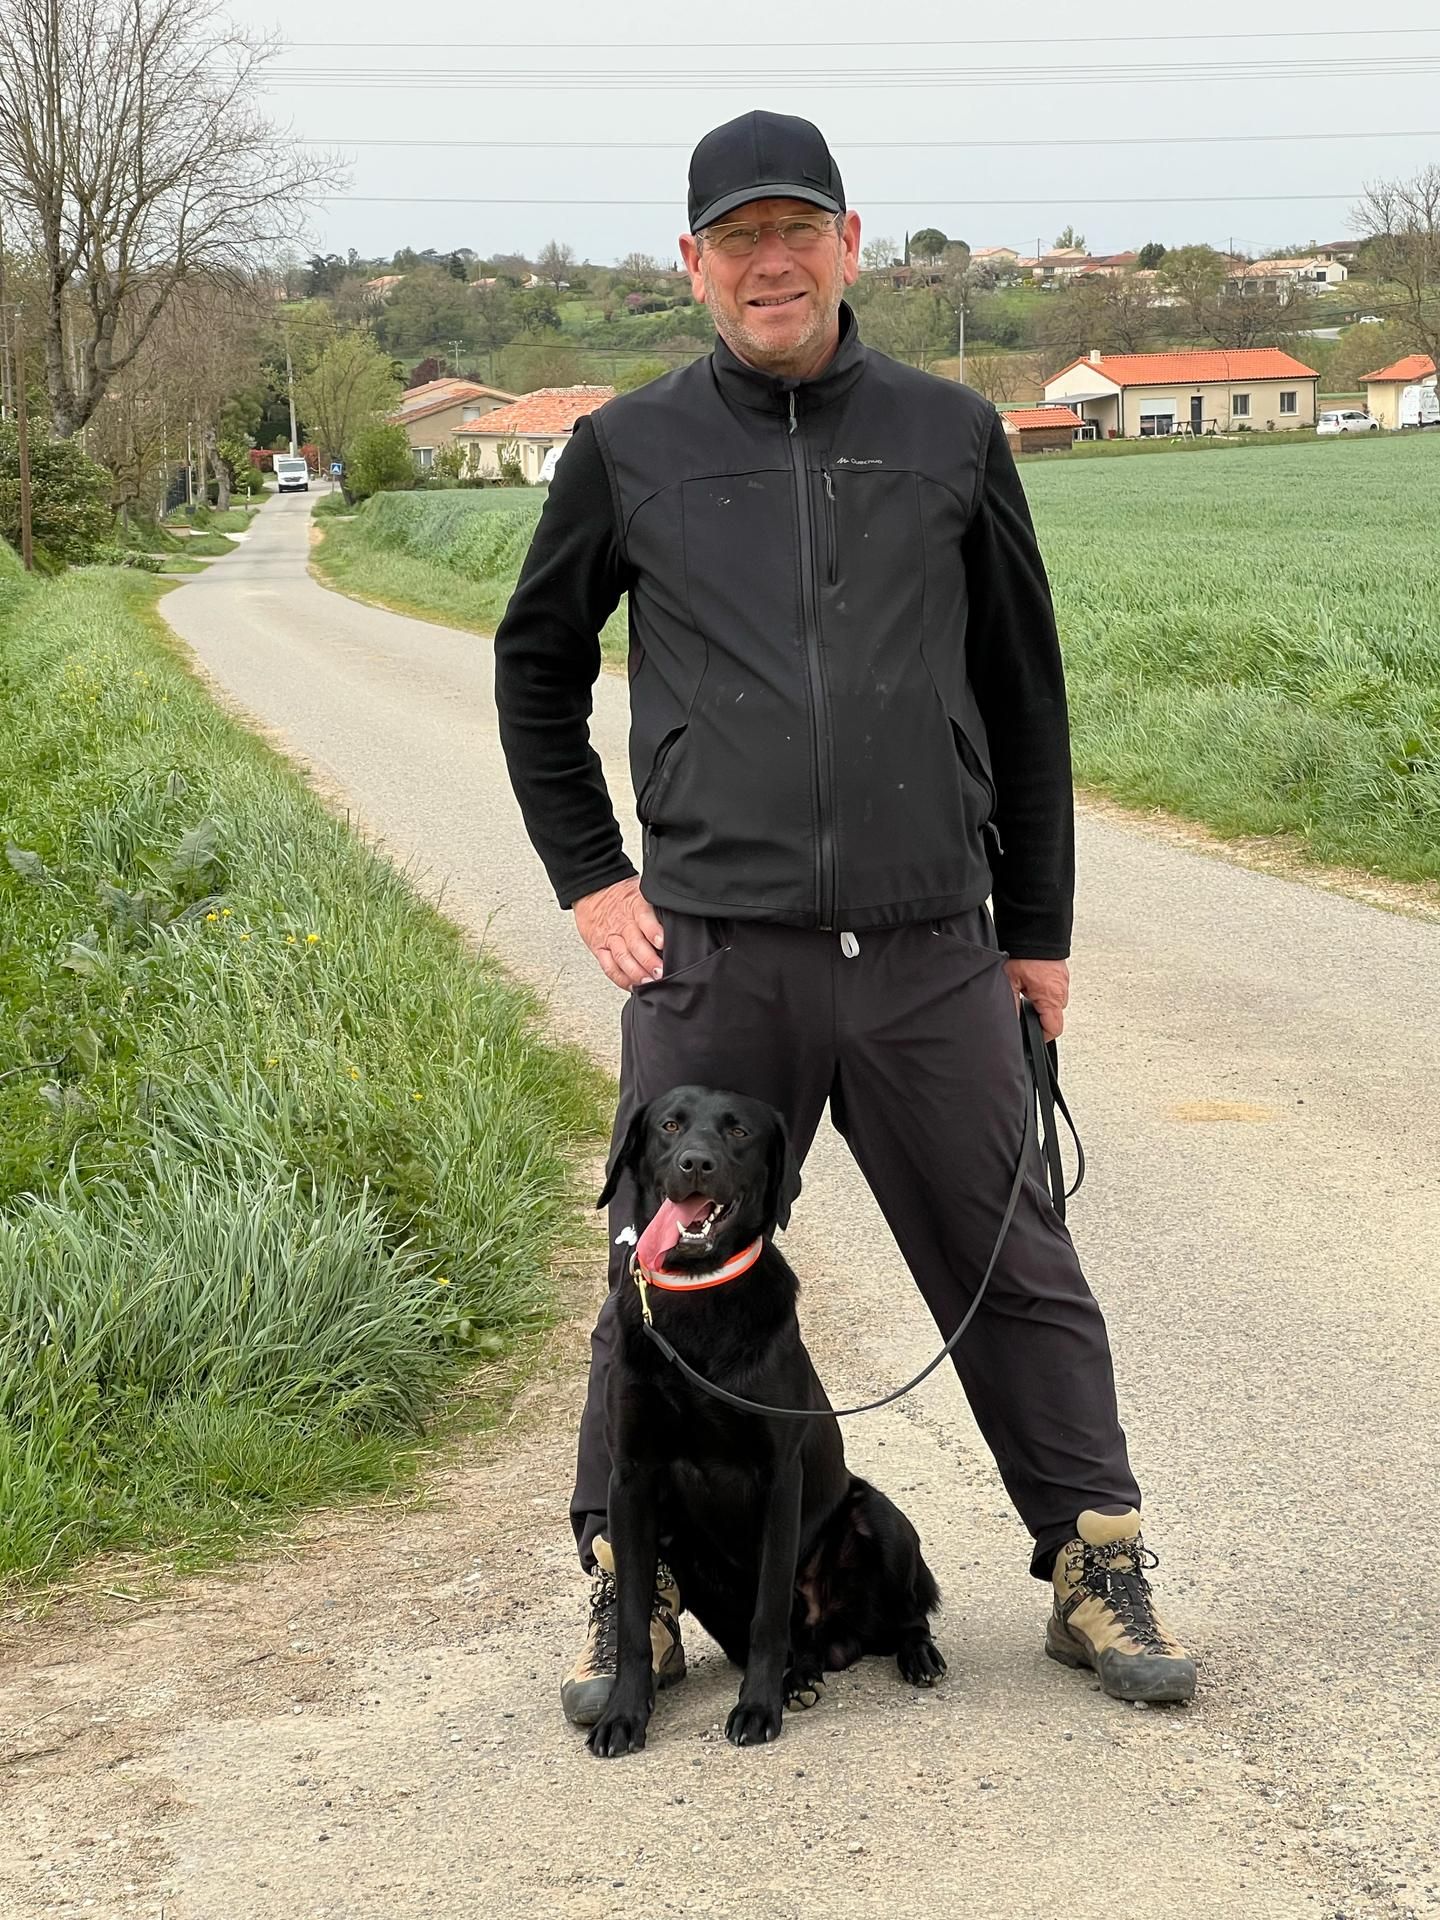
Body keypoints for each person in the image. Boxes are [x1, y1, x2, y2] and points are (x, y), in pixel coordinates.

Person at [493, 109, 1195, 1727]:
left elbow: (1025, 695)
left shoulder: (954, 436)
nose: (771, 261)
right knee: (654, 1273)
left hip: (934, 945)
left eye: (796, 228)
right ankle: (639, 1588)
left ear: (850, 241)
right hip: (715, 958)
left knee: (1019, 1259)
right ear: (693, 264)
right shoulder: (630, 449)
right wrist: (591, 876)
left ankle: (1096, 1561)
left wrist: (1040, 926)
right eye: (738, 238)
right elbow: (535, 668)